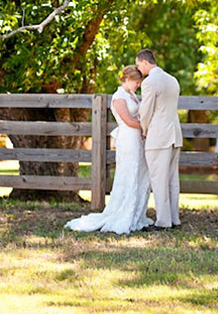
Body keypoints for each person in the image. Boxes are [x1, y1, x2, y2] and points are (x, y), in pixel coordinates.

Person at [65, 66, 154, 234]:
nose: (138, 85)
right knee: (129, 174)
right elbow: (127, 120)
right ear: (127, 80)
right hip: (129, 139)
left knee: (140, 174)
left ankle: (137, 214)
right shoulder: (119, 97)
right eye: (136, 82)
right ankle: (124, 214)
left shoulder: (132, 95)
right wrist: (147, 128)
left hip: (138, 139)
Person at [136, 48, 183, 230]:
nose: (139, 69)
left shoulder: (150, 82)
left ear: (146, 62)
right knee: (172, 179)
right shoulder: (173, 80)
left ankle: (163, 222)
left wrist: (144, 130)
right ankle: (174, 219)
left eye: (139, 65)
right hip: (174, 135)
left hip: (158, 136)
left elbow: (145, 111)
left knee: (158, 179)